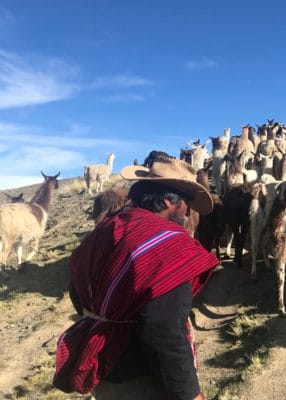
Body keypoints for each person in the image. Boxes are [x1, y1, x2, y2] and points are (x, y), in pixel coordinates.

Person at [53, 156, 219, 400]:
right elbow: (164, 328)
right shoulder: (168, 245)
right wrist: (189, 393)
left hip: (105, 371)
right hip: (142, 379)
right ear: (167, 201)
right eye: (185, 202)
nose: (188, 210)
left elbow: (78, 294)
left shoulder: (107, 229)